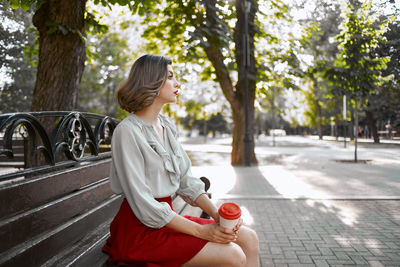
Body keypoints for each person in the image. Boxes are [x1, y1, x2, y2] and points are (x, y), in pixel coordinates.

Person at [102, 55, 259, 267]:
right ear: (152, 82)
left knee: (249, 239)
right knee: (234, 255)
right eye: (170, 77)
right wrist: (203, 231)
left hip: (167, 219)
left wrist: (217, 216)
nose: (177, 83)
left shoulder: (166, 125)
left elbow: (186, 179)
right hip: (140, 229)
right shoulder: (127, 132)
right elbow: (143, 204)